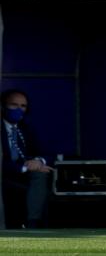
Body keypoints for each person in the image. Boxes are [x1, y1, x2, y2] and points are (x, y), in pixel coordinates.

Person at [1, 89, 53, 228]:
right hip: (5, 174)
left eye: (23, 106)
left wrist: (39, 162)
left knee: (40, 173)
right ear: (3, 106)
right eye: (14, 105)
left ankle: (32, 224)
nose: (19, 109)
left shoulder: (27, 129)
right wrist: (24, 167)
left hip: (22, 174)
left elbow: (47, 153)